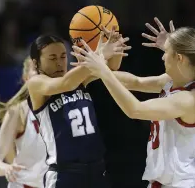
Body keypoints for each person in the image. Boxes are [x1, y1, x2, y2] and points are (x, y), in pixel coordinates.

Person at [70, 24, 195, 188]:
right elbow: (135, 82)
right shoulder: (176, 83)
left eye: (166, 52)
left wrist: (103, 70)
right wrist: (92, 72)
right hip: (171, 182)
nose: (162, 57)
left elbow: (135, 109)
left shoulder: (187, 99)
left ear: (180, 58)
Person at [26, 32, 130, 188]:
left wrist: (115, 46)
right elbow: (65, 84)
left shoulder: (78, 77)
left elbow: (111, 68)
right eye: (52, 58)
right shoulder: (37, 83)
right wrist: (100, 54)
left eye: (63, 56)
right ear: (36, 63)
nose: (60, 63)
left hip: (97, 170)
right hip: (65, 174)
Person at [0, 57, 48, 188]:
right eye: (36, 69)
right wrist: (7, 169)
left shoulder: (62, 108)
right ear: (25, 77)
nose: (41, 73)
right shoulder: (18, 111)